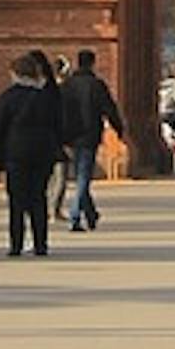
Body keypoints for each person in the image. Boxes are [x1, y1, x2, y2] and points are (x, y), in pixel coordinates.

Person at [0, 52, 64, 258]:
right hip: (43, 153)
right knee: (38, 197)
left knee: (16, 200)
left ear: (15, 74)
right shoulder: (47, 98)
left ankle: (16, 244)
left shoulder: (8, 97)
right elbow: (58, 124)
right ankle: (41, 244)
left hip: (16, 153)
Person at [57, 47, 118, 234]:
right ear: (92, 63)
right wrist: (120, 130)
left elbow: (58, 111)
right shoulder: (96, 85)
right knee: (83, 177)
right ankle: (76, 215)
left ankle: (90, 213)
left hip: (70, 136)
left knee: (81, 176)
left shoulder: (67, 86)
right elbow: (109, 109)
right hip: (89, 136)